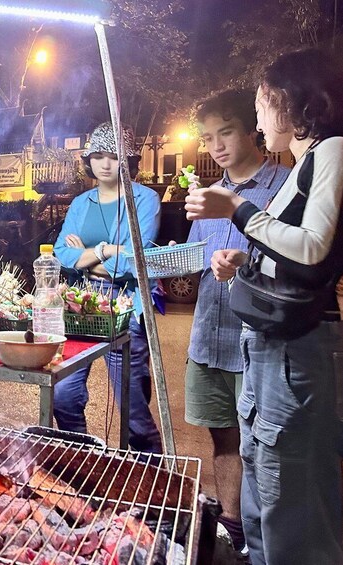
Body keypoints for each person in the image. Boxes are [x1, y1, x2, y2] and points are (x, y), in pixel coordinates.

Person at [185, 47, 343, 564]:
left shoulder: (332, 151)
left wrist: (237, 208)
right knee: (264, 485)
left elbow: (314, 249)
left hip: (294, 350)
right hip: (270, 347)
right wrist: (244, 267)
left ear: (294, 101)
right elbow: (283, 254)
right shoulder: (306, 163)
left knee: (289, 498)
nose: (257, 116)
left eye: (262, 102)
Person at [184, 89, 290, 555]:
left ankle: (269, 540)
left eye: (225, 132)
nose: (217, 146)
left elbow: (300, 259)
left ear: (253, 130)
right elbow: (189, 260)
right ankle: (232, 531)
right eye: (208, 138)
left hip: (260, 340)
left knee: (264, 449)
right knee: (223, 437)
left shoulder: (285, 186)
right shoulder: (206, 195)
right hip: (208, 336)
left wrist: (248, 259)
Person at [52, 122, 162, 453]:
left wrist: (87, 257)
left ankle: (148, 485)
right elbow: (61, 253)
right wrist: (104, 251)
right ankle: (84, 463)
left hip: (126, 303)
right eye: (97, 156)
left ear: (127, 160)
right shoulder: (81, 203)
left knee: (134, 411)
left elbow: (134, 261)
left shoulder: (144, 199)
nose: (104, 164)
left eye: (113, 156)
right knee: (63, 396)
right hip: (80, 302)